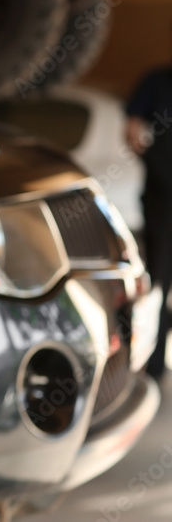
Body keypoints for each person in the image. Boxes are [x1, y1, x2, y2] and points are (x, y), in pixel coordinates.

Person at [126, 66, 172, 380]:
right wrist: (155, 163)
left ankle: (154, 363)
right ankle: (144, 362)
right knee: (156, 280)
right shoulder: (156, 81)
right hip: (163, 200)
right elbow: (132, 130)